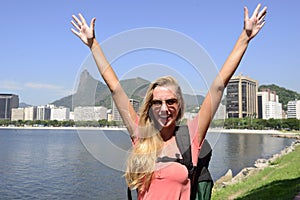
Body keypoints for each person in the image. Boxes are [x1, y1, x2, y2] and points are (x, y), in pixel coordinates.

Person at [71, 3, 267, 199]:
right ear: (150, 107)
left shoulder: (191, 136)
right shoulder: (141, 136)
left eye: (171, 101)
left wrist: (245, 37)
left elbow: (217, 87)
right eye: (158, 103)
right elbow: (115, 88)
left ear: (179, 106)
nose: (164, 108)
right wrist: (93, 44)